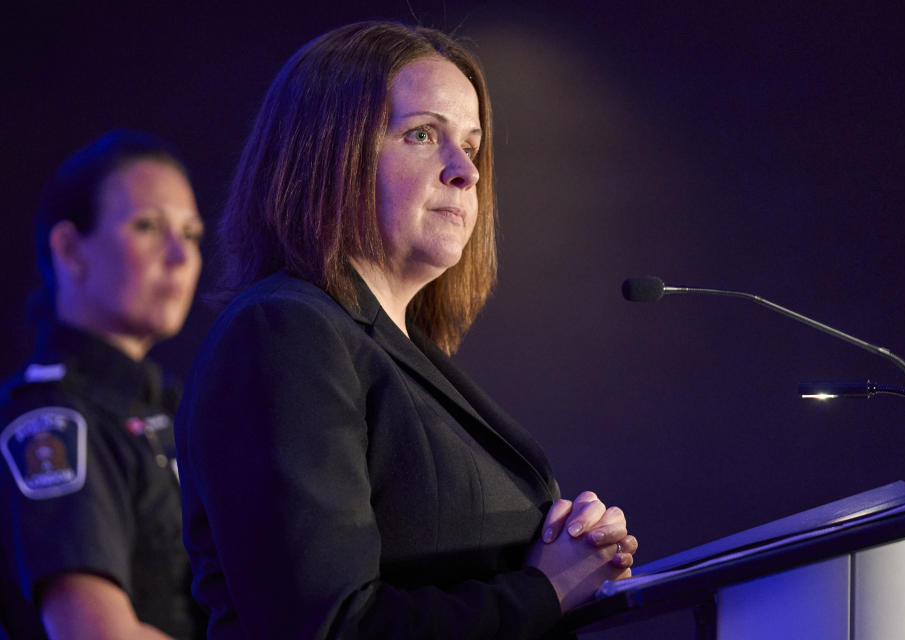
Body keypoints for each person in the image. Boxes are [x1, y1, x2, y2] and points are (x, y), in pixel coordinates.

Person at [175, 21, 638, 639]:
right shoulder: (283, 332)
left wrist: (570, 542)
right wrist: (545, 589)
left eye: (471, 148)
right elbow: (328, 628)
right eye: (422, 134)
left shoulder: (392, 350)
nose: (465, 173)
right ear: (325, 153)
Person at [0, 130, 207, 639]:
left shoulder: (178, 406)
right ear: (70, 250)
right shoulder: (51, 418)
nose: (181, 257)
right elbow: (94, 634)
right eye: (147, 227)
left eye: (193, 234)